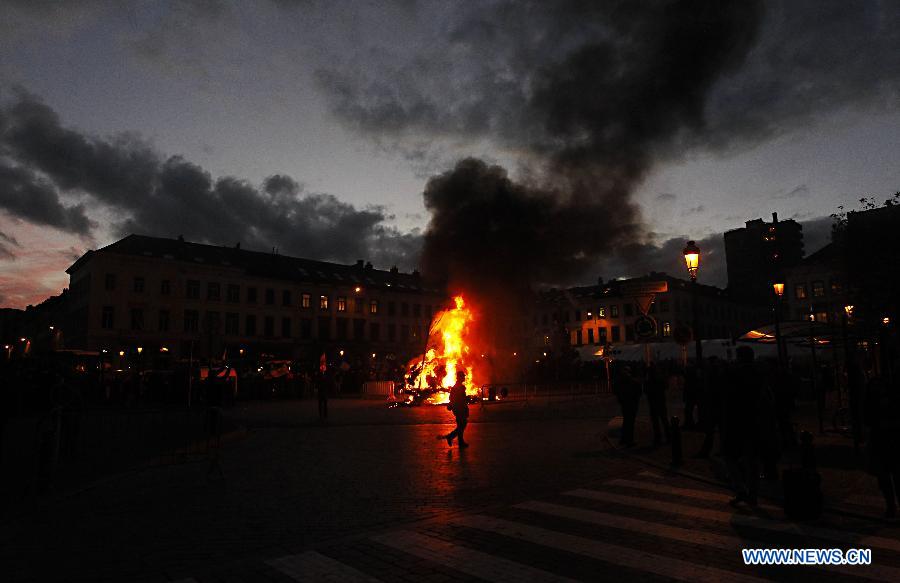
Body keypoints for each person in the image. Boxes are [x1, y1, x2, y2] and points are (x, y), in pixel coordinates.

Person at [722, 346, 763, 507]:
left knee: (729, 457)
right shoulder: (759, 373)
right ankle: (752, 494)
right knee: (752, 460)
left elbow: (727, 397)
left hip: (736, 421)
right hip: (754, 421)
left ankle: (741, 489)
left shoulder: (733, 373)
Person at [863, 374, 900, 518]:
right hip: (882, 442)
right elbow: (867, 419)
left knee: (893, 477)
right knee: (886, 477)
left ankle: (891, 506)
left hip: (889, 442)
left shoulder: (891, 400)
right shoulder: (874, 402)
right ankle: (890, 505)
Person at [441, 370, 470, 448]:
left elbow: (454, 397)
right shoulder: (458, 387)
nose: (464, 377)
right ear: (459, 377)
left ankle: (460, 442)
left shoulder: (458, 386)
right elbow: (457, 398)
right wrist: (465, 399)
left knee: (461, 425)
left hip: (459, 408)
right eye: (463, 376)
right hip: (459, 408)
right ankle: (451, 437)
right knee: (462, 425)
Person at [614, 364, 641, 447]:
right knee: (630, 422)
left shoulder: (620, 382)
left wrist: (621, 400)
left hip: (625, 404)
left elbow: (616, 391)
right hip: (632, 404)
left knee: (626, 421)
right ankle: (629, 440)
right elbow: (639, 392)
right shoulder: (634, 382)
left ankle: (624, 439)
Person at [644, 363, 669, 446]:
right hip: (661, 402)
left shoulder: (648, 381)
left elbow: (646, 391)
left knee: (656, 421)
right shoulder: (660, 379)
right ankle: (669, 437)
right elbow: (666, 386)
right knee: (664, 420)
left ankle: (658, 438)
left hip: (653, 403)